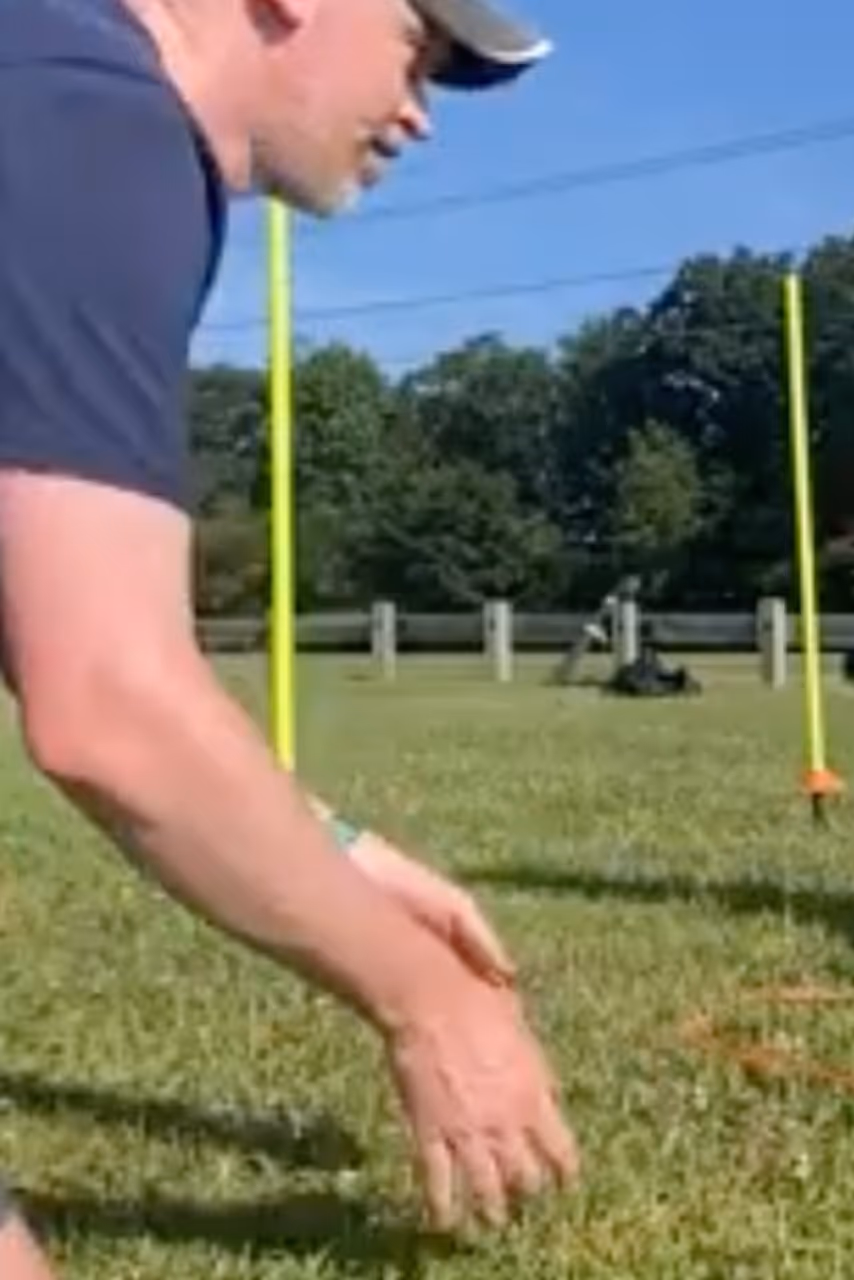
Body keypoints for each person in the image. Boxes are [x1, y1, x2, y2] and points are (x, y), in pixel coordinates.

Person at [0, 0, 574, 1271]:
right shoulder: (101, 138)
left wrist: (336, 848)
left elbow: (52, 608)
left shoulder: (48, 89)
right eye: (416, 48)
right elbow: (107, 707)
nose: (419, 107)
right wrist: (429, 1007)